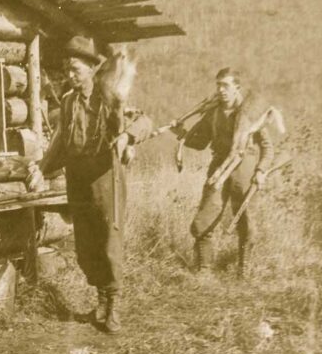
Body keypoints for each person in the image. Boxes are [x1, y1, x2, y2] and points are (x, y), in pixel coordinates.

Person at [28, 36, 152, 334]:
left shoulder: (108, 96)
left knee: (108, 240)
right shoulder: (69, 102)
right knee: (85, 245)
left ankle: (113, 306)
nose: (71, 75)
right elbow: (60, 143)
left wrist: (127, 137)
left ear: (91, 69)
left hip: (105, 177)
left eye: (76, 69)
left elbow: (144, 120)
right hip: (78, 178)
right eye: (68, 69)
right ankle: (100, 296)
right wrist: (42, 170)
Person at [173, 68, 275, 277]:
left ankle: (243, 271)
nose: (221, 90)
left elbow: (268, 147)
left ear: (237, 88)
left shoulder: (249, 113)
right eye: (218, 85)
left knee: (244, 221)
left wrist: (261, 170)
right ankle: (204, 271)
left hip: (244, 169)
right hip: (218, 168)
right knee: (203, 219)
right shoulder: (214, 112)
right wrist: (181, 133)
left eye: (226, 86)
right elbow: (200, 142)